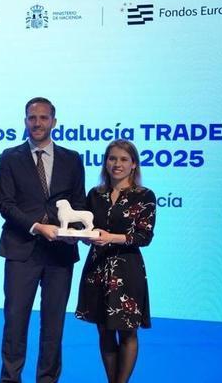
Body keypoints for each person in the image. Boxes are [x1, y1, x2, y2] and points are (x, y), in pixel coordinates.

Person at [0, 97, 86, 383]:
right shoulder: (9, 157)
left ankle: (47, 379)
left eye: (43, 117)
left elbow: (79, 202)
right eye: (32, 118)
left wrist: (75, 233)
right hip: (21, 249)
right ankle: (10, 379)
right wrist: (36, 226)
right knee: (15, 322)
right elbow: (6, 204)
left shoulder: (72, 159)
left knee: (54, 324)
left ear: (54, 122)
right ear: (25, 121)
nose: (37, 123)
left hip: (60, 253)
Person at [75, 140, 155, 383]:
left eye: (123, 159)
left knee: (127, 332)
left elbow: (144, 237)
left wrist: (111, 237)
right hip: (97, 268)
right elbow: (86, 228)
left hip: (127, 270)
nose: (117, 164)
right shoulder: (95, 194)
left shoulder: (144, 196)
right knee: (104, 330)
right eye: (112, 158)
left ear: (133, 164)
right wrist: (85, 237)